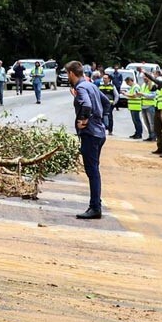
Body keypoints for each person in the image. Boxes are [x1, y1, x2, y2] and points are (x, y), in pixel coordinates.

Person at [66, 61, 110, 219]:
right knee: (94, 170)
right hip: (99, 133)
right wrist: (101, 120)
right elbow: (106, 102)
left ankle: (95, 207)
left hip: (90, 134)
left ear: (71, 73)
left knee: (92, 172)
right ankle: (95, 205)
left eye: (67, 74)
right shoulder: (91, 86)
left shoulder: (81, 87)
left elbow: (87, 105)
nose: (67, 77)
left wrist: (84, 120)